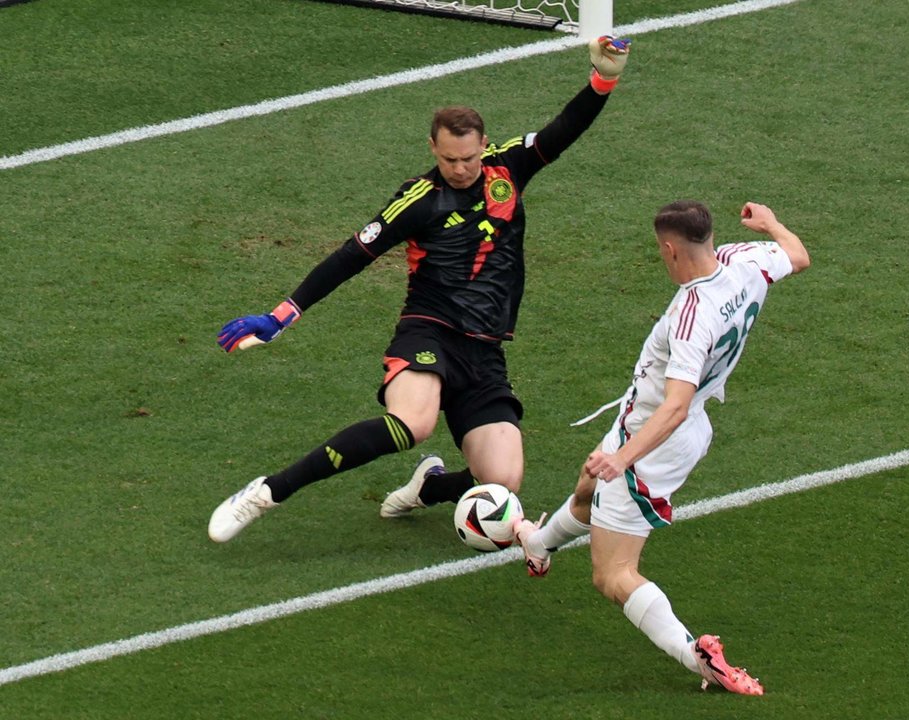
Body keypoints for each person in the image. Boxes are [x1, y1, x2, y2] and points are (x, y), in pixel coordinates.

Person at [208, 36, 632, 543]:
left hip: (484, 349)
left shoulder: (509, 168)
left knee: (504, 481)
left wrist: (602, 80)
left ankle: (429, 488)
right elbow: (350, 256)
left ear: (483, 145)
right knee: (413, 423)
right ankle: (267, 492)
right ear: (434, 149)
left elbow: (564, 130)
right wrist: (280, 316)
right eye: (451, 159)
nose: (461, 168)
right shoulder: (418, 199)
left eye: (469, 158)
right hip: (428, 329)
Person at [513, 200, 810, 694]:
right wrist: (774, 224)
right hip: (650, 425)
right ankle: (538, 546)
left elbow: (674, 406)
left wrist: (622, 459)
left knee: (613, 574)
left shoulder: (692, 317)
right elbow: (797, 256)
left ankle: (698, 659)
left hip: (653, 441)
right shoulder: (745, 260)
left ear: (670, 249)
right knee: (586, 486)